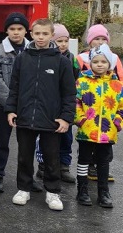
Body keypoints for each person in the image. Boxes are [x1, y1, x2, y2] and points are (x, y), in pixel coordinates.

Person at [5, 18, 77, 211]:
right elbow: (15, 87)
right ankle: (23, 189)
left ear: (51, 35)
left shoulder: (61, 61)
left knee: (51, 157)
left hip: (51, 119)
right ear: (31, 34)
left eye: (45, 34)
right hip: (25, 117)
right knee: (24, 156)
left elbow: (69, 93)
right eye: (37, 33)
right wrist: (11, 109)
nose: (41, 37)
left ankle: (53, 193)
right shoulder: (22, 58)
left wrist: (66, 117)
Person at [74, 44, 123, 208]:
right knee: (83, 160)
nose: (99, 64)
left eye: (103, 61)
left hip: (107, 133)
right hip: (86, 131)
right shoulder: (82, 82)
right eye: (95, 61)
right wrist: (81, 120)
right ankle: (82, 190)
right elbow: (75, 103)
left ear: (109, 64)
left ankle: (103, 192)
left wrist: (117, 123)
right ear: (90, 63)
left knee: (103, 162)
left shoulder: (117, 86)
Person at [0, 12, 30, 193]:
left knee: (26, 143)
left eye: (20, 29)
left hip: (28, 105)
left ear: (25, 31)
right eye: (12, 29)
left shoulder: (33, 49)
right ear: (6, 31)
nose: (16, 32)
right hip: (3, 105)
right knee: (1, 142)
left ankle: (26, 178)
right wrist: (10, 103)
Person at [35, 23, 79, 184]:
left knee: (66, 137)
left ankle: (64, 166)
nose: (63, 44)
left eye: (65, 41)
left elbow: (75, 79)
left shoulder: (72, 59)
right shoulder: (49, 57)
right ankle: (43, 165)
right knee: (45, 137)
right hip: (49, 105)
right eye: (59, 41)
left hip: (64, 105)